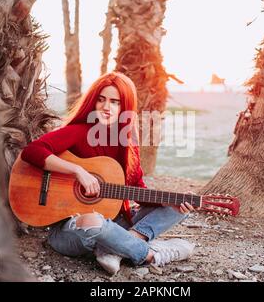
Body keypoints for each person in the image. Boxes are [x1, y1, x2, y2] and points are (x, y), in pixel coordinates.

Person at [21, 72, 195, 275]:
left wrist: (167, 202)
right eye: (101, 100)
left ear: (125, 107)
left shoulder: (128, 143)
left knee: (179, 207)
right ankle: (150, 255)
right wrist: (78, 171)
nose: (106, 107)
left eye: (115, 102)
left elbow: (137, 190)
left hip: (115, 221)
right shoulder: (80, 131)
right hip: (70, 232)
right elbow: (31, 151)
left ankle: (114, 248)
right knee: (93, 221)